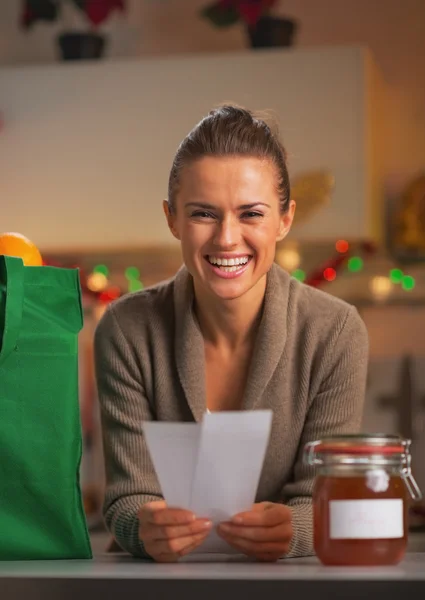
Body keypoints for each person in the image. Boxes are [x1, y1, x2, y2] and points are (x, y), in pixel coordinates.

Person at [94, 105, 369, 563]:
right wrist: (144, 528)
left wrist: (297, 528)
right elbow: (127, 498)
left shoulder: (335, 332)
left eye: (251, 214)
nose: (226, 239)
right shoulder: (126, 330)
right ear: (171, 219)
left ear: (284, 219)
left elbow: (324, 501)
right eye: (203, 213)